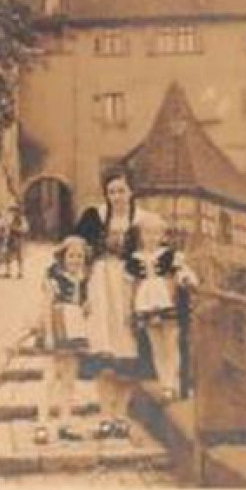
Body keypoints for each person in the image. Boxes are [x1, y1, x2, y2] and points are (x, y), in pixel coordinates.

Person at [71, 167, 152, 439]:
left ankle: (122, 415)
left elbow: (155, 255)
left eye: (121, 190)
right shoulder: (95, 216)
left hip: (128, 287)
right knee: (102, 347)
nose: (116, 196)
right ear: (106, 194)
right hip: (100, 286)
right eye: (111, 191)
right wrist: (81, 289)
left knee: (127, 348)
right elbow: (74, 247)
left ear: (131, 192)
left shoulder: (143, 220)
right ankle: (106, 415)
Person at [125, 212, 198, 400]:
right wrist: (130, 305)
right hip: (145, 303)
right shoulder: (134, 259)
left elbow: (181, 273)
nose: (152, 238)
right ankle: (164, 381)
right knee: (156, 346)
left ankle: (171, 384)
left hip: (167, 300)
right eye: (147, 233)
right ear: (141, 236)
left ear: (163, 236)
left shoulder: (169, 256)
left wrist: (187, 279)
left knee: (171, 344)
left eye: (156, 234)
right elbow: (130, 283)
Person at [36, 235, 90, 443]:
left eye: (80, 257)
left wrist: (85, 309)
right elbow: (46, 306)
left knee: (69, 379)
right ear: (62, 256)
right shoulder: (53, 277)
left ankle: (65, 423)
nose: (75, 260)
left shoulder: (83, 280)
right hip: (57, 327)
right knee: (50, 377)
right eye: (71, 256)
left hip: (75, 330)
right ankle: (42, 423)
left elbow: (82, 306)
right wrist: (48, 333)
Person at [4, 203, 28, 279]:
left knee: (20, 256)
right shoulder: (10, 219)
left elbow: (25, 229)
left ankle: (20, 272)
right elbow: (6, 227)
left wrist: (16, 229)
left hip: (19, 239)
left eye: (17, 211)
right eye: (14, 211)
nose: (15, 212)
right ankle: (8, 271)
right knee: (8, 255)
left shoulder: (23, 219)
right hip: (11, 238)